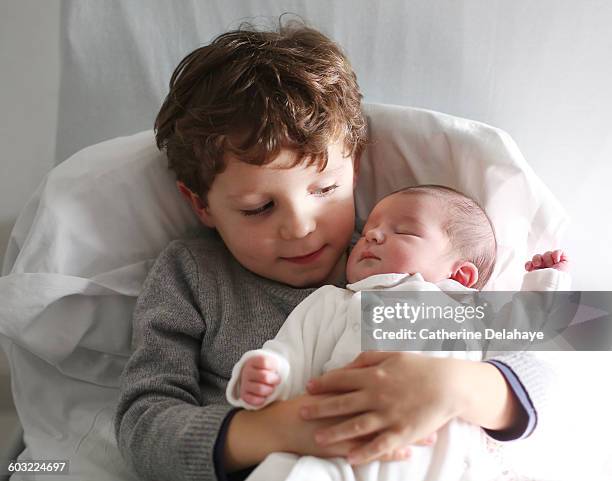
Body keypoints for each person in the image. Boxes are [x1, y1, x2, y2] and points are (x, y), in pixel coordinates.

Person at [114, 21, 560, 481]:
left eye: (326, 189)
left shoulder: (407, 259)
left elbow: (559, 367)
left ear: (355, 172)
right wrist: (275, 430)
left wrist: (456, 387)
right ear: (200, 203)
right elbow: (142, 425)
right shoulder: (192, 275)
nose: (300, 228)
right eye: (259, 208)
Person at [225, 185, 570, 481]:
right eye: (368, 232)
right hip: (340, 452)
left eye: (404, 231)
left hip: (440, 463)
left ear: (460, 276)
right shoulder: (335, 301)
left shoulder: (469, 313)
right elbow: (294, 349)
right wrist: (266, 372)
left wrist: (545, 282)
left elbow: (525, 338)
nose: (371, 235)